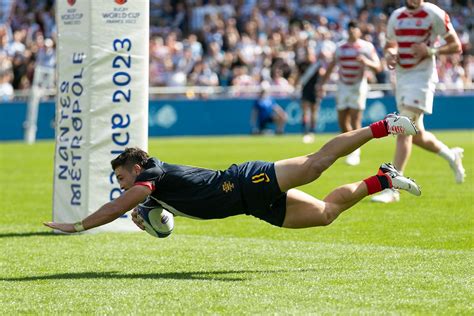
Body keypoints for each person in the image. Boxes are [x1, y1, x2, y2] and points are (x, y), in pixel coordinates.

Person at [44, 114, 421, 234]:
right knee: (324, 215)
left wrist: (77, 226)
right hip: (249, 205)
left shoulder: (152, 174)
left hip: (245, 181)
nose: (120, 183)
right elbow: (158, 216)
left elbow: (115, 208)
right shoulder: (150, 192)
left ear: (136, 167)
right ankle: (383, 179)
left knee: (314, 165)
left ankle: (383, 127)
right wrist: (150, 219)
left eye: (121, 177)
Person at [372, 0, 466, 203]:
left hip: (422, 76)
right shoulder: (396, 16)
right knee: (417, 134)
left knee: (403, 127)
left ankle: (392, 187)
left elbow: (456, 46)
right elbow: (390, 44)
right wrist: (390, 54)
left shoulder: (434, 13)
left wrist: (431, 51)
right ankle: (452, 156)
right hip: (403, 76)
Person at [317, 20, 382, 166]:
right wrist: (322, 83)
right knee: (342, 121)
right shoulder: (340, 47)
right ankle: (350, 147)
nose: (352, 31)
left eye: (355, 29)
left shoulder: (366, 47)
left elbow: (378, 67)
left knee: (355, 120)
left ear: (359, 31)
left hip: (358, 85)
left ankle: (355, 152)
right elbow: (332, 66)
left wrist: (366, 62)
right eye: (350, 29)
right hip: (342, 85)